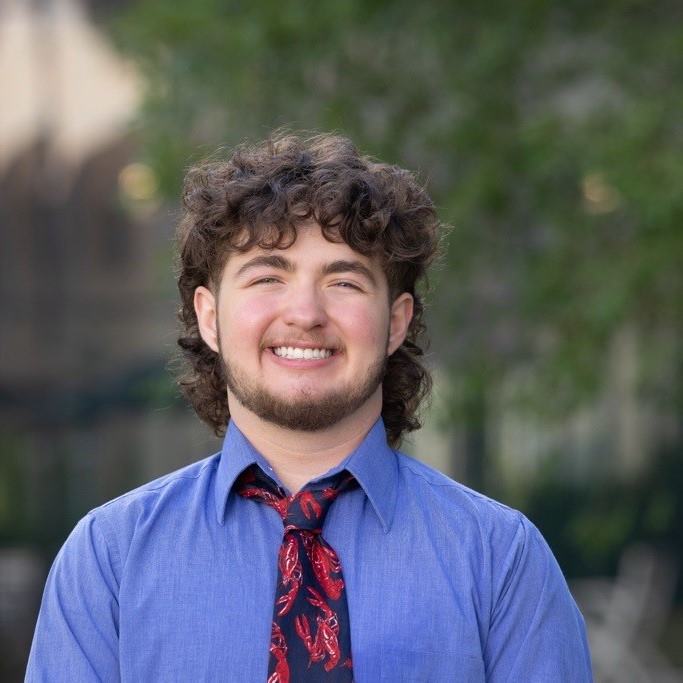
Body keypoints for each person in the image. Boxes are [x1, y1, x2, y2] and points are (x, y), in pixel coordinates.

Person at [26, 132, 592, 681]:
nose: (305, 313)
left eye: (344, 282)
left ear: (395, 322)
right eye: (268, 276)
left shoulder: (501, 561)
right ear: (208, 316)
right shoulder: (110, 560)